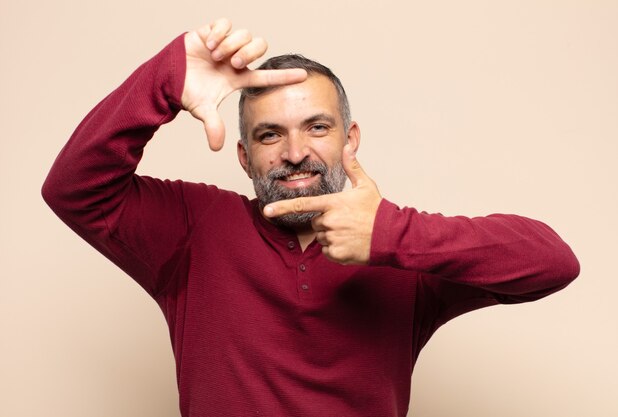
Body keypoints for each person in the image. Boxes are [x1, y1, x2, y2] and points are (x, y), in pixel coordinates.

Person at [42, 18, 580, 417]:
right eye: (270, 134)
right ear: (244, 156)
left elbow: (553, 262)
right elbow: (72, 190)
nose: (295, 151)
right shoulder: (191, 228)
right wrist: (165, 80)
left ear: (351, 140)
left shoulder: (404, 249)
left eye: (317, 127)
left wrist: (391, 234)